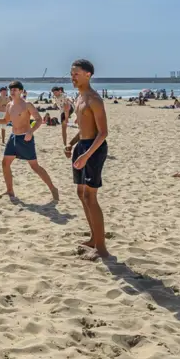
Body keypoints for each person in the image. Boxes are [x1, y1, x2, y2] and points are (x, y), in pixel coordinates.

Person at [0, 81, 58, 203]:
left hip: (25, 138)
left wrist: (31, 131)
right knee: (5, 163)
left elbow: (39, 120)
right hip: (13, 137)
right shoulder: (9, 105)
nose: (12, 91)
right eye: (11, 89)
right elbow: (5, 121)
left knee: (34, 166)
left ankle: (53, 188)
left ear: (21, 91)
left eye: (15, 89)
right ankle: (10, 190)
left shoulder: (27, 105)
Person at [64, 60, 109, 259]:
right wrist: (72, 143)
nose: (72, 77)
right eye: (71, 74)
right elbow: (83, 127)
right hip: (82, 146)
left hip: (94, 148)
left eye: (76, 74)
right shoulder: (79, 97)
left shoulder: (94, 99)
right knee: (81, 193)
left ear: (88, 75)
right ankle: (93, 238)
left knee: (91, 197)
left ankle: (101, 248)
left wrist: (86, 154)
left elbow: (103, 133)